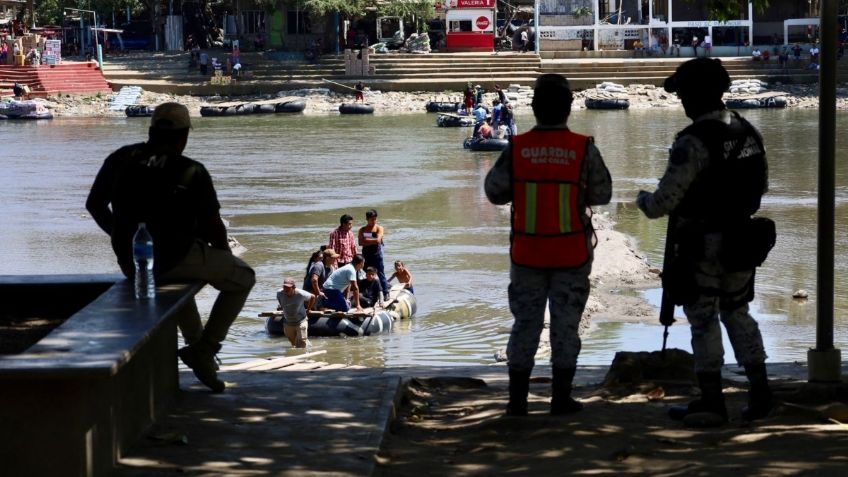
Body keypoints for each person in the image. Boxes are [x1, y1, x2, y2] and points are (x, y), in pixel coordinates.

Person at [635, 58, 772, 426]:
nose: (681, 101)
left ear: (696, 96)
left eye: (683, 93)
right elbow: (761, 187)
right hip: (743, 240)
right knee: (738, 312)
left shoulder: (693, 141)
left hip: (702, 245)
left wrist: (642, 199)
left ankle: (712, 401)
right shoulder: (749, 132)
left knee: (703, 320)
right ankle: (761, 393)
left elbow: (664, 202)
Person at [86, 103, 256, 393]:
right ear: (183, 137)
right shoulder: (191, 170)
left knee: (178, 287)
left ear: (151, 130)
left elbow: (94, 205)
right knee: (243, 277)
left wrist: (121, 238)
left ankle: (200, 353)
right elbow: (214, 226)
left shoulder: (120, 158)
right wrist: (222, 260)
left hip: (133, 262)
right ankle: (206, 348)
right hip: (175, 257)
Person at [484, 73, 612, 417]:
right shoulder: (584, 148)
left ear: (535, 107)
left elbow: (494, 192)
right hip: (571, 255)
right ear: (569, 108)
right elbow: (603, 193)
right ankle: (561, 398)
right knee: (565, 327)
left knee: (525, 325)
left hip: (527, 255)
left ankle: (517, 402)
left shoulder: (518, 148)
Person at [268, 278, 315, 348]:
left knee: (302, 342)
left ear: (293, 288)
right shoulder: (279, 293)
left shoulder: (301, 294)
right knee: (293, 344)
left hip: (301, 321)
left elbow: (312, 297)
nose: (285, 289)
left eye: (288, 287)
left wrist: (309, 309)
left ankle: (303, 355)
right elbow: (279, 299)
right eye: (284, 287)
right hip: (288, 322)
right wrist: (282, 306)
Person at [358, 209, 389, 300]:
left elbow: (378, 240)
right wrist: (372, 241)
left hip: (377, 254)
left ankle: (386, 292)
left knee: (380, 273)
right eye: (372, 219)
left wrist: (366, 240)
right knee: (367, 272)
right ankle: (368, 291)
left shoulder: (379, 228)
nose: (374, 221)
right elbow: (360, 243)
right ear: (367, 219)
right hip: (366, 254)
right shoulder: (362, 229)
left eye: (375, 219)